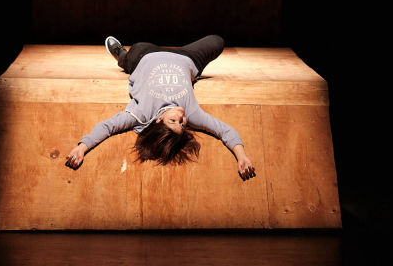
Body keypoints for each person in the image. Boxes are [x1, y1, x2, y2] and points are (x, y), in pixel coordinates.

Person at [65, 35, 256, 180]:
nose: (181, 116)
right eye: (183, 123)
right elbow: (224, 131)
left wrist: (82, 148)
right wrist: (242, 156)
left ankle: (121, 55)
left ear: (159, 120)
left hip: (146, 55)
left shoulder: (140, 114)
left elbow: (108, 126)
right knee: (217, 41)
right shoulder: (193, 114)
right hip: (186, 58)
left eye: (173, 120)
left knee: (134, 53)